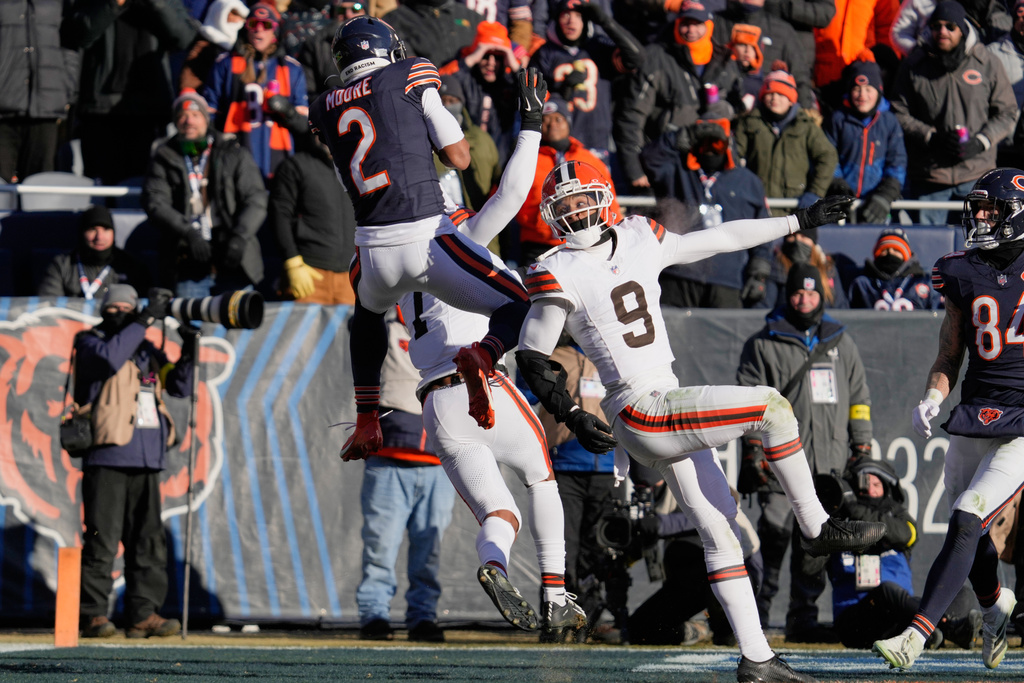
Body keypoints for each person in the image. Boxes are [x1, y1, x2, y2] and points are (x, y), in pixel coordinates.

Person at [514, 161, 882, 681]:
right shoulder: (557, 266)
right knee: (772, 406)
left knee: (720, 526)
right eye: (565, 204)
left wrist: (797, 221)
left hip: (660, 402)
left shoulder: (640, 235)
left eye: (581, 199)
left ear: (603, 195)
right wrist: (571, 413)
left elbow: (722, 237)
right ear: (552, 214)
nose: (574, 211)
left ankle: (757, 658)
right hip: (640, 408)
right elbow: (532, 355)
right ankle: (817, 525)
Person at [382, 76, 588, 641]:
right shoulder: (458, 236)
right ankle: (555, 595)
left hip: (434, 404)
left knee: (501, 515)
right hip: (481, 381)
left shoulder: (386, 264)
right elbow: (513, 194)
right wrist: (528, 127)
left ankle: (495, 565)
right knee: (541, 479)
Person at [308, 18, 533, 458]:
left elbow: (348, 177)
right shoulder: (408, 72)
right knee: (521, 304)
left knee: (368, 317)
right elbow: (460, 157)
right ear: (386, 48)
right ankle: (484, 357)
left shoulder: (325, 105)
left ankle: (367, 417)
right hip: (425, 234)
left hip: (371, 250)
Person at [872, 167, 1024, 672]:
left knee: (965, 516)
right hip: (974, 415)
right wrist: (932, 396)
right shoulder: (961, 271)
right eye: (977, 207)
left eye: (992, 209)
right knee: (971, 529)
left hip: (1022, 421)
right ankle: (994, 603)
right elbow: (949, 353)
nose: (980, 216)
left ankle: (914, 637)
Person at [736, 263, 872, 642]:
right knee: (774, 539)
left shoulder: (840, 342)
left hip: (828, 468)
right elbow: (745, 403)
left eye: (812, 294)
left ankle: (802, 619)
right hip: (779, 466)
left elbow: (859, 398)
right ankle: (755, 618)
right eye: (798, 293)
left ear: (822, 295)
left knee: (815, 545)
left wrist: (861, 446)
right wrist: (753, 452)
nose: (805, 300)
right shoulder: (763, 343)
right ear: (787, 294)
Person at [76, 285, 196, 639]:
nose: (123, 311)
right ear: (103, 311)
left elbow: (179, 385)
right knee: (102, 539)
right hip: (108, 456)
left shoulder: (146, 348)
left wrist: (189, 348)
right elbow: (111, 359)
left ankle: (143, 613)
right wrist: (143, 319)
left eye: (129, 307)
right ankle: (93, 615)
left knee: (148, 541)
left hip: (147, 457)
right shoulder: (89, 342)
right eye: (116, 307)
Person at [517, 331, 630, 642]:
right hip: (563, 466)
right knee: (560, 549)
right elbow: (523, 397)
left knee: (600, 551)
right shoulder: (551, 355)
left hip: (608, 468)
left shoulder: (612, 354)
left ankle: (587, 623)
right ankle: (553, 621)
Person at [356, 309, 456, 642]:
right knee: (379, 545)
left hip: (439, 462)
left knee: (429, 549)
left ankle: (423, 616)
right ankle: (373, 614)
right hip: (389, 456)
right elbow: (359, 320)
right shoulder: (380, 320)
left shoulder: (450, 325)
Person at [828, 457, 983, 651]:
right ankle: (949, 628)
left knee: (958, 591)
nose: (869, 489)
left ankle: (932, 631)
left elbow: (904, 534)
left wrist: (857, 510)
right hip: (855, 622)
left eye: (876, 484)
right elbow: (809, 560)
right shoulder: (836, 522)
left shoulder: (899, 518)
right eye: (863, 483)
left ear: (886, 487)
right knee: (886, 591)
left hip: (901, 618)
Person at [890, 1, 1017, 225]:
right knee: (930, 252)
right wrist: (930, 137)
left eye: (950, 26)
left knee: (978, 250)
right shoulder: (914, 65)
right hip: (931, 177)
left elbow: (1007, 112)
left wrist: (981, 142)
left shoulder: (986, 62)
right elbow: (898, 112)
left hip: (977, 177)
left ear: (962, 29)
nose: (942, 32)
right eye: (936, 26)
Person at [640, 105, 775, 309]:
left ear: (728, 144)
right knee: (674, 337)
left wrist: (759, 272)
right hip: (679, 273)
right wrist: (682, 136)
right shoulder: (678, 170)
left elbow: (763, 230)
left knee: (723, 341)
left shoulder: (748, 182)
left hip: (727, 279)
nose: (711, 148)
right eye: (705, 143)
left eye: (718, 143)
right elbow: (649, 157)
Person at [142, 90, 268, 297]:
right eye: (182, 116)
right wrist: (188, 233)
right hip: (187, 259)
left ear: (206, 119)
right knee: (192, 325)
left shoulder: (233, 152)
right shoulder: (163, 156)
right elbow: (155, 201)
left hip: (234, 256)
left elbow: (256, 199)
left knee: (238, 325)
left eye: (195, 115)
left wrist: (239, 237)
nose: (188, 121)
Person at [60, 0, 197, 185]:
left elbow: (184, 38)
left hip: (149, 111)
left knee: (148, 187)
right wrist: (113, 4)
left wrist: (158, 4)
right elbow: (79, 34)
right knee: (101, 190)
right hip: (101, 110)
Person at [613, 0, 742, 192]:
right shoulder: (656, 58)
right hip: (670, 162)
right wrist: (634, 168)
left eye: (697, 24)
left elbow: (739, 110)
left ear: (709, 25)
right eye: (684, 23)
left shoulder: (725, 60)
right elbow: (631, 116)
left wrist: (727, 110)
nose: (690, 30)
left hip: (713, 164)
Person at [201, 1, 310, 180]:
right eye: (253, 24)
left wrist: (287, 111)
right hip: (237, 148)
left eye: (266, 25)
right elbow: (210, 114)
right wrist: (220, 140)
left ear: (275, 31)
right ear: (246, 28)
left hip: (277, 152)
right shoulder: (226, 63)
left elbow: (304, 125)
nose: (259, 30)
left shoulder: (291, 68)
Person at [530, 0, 644, 165]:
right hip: (558, 144)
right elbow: (531, 102)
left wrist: (605, 22)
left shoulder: (599, 47)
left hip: (596, 140)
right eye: (566, 15)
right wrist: (560, 93)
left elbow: (637, 58)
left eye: (578, 16)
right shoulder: (545, 53)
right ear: (557, 18)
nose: (571, 21)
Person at [515, 94, 622, 265]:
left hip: (587, 243)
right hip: (540, 245)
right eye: (546, 120)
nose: (552, 124)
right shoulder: (524, 159)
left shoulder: (591, 160)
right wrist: (547, 227)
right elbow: (509, 200)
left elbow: (610, 202)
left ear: (568, 122)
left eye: (558, 118)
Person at [732, 64, 839, 218]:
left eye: (781, 94)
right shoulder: (750, 123)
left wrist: (814, 192)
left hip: (793, 209)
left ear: (791, 100)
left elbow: (828, 156)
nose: (774, 98)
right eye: (770, 93)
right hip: (757, 207)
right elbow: (734, 155)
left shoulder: (805, 126)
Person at [269, 135, 357, 304]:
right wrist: (292, 261)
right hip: (308, 273)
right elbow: (279, 215)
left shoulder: (358, 169)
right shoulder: (295, 166)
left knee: (349, 331)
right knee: (300, 331)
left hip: (352, 278)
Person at [0, 0, 79, 183]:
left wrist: (67, 89)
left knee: (40, 184)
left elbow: (70, 45)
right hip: (3, 107)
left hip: (45, 106)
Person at [823, 59, 907, 226]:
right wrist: (837, 184)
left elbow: (897, 163)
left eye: (869, 89)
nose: (862, 95)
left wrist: (885, 195)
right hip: (842, 205)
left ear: (879, 91)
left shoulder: (889, 122)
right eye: (857, 89)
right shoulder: (837, 119)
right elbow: (827, 157)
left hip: (876, 204)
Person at [437, 21, 523, 166]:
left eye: (497, 57)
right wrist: (471, 58)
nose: (491, 63)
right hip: (468, 158)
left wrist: (515, 66)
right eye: (485, 55)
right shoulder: (466, 77)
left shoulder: (511, 83)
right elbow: (440, 81)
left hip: (501, 162)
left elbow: (539, 96)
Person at [37, 205, 151, 299]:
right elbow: (48, 304)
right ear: (82, 233)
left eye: (106, 229)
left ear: (113, 233)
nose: (99, 237)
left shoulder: (132, 266)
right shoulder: (62, 264)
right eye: (92, 230)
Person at [434, 75, 502, 216]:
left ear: (461, 102)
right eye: (441, 101)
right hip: (439, 227)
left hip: (477, 223)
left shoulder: (482, 139)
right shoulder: (422, 142)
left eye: (452, 101)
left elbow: (498, 187)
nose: (447, 105)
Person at [848, 228, 944, 310]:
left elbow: (936, 317)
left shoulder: (925, 282)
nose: (890, 253)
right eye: (884, 250)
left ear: (906, 255)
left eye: (896, 250)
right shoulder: (863, 284)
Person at [758, 228, 849, 311]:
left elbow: (841, 307)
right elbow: (764, 308)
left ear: (813, 241)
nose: (797, 240)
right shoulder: (775, 268)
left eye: (803, 236)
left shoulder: (828, 269)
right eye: (792, 236)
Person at [297, 0, 367, 101]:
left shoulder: (384, 39)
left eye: (355, 9)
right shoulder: (316, 43)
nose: (348, 14)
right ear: (334, 13)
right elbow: (308, 92)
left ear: (365, 12)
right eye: (341, 10)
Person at [382, 0, 482, 68]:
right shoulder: (394, 21)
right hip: (425, 93)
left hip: (473, 96)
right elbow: (407, 69)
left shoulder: (473, 18)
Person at [180, 0, 250, 92]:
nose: (240, 21)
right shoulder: (203, 47)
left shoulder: (237, 50)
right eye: (235, 14)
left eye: (243, 18)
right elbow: (188, 83)